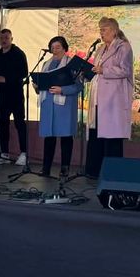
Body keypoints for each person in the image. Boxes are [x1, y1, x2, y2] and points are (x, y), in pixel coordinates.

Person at [85, 17, 134, 178]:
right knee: (97, 133)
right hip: (99, 96)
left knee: (111, 136)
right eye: (100, 29)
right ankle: (94, 170)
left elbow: (125, 70)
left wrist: (104, 71)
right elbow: (96, 69)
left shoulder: (123, 47)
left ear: (114, 31)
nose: (101, 33)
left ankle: (112, 173)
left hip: (113, 98)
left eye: (104, 29)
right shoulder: (100, 48)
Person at [33, 36, 83, 179]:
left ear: (64, 48)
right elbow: (43, 85)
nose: (55, 50)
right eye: (52, 48)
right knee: (49, 137)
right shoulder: (46, 63)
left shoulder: (71, 64)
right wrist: (37, 86)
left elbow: (78, 86)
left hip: (64, 105)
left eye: (58, 47)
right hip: (48, 104)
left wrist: (63, 90)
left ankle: (65, 168)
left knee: (66, 136)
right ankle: (46, 168)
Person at [0, 28, 29, 166]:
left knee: (19, 123)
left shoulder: (18, 54)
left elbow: (23, 73)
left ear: (11, 39)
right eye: (2, 38)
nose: (4, 40)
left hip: (16, 94)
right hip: (2, 95)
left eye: (6, 38)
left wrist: (6, 79)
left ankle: (24, 153)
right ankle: (4, 153)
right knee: (2, 124)